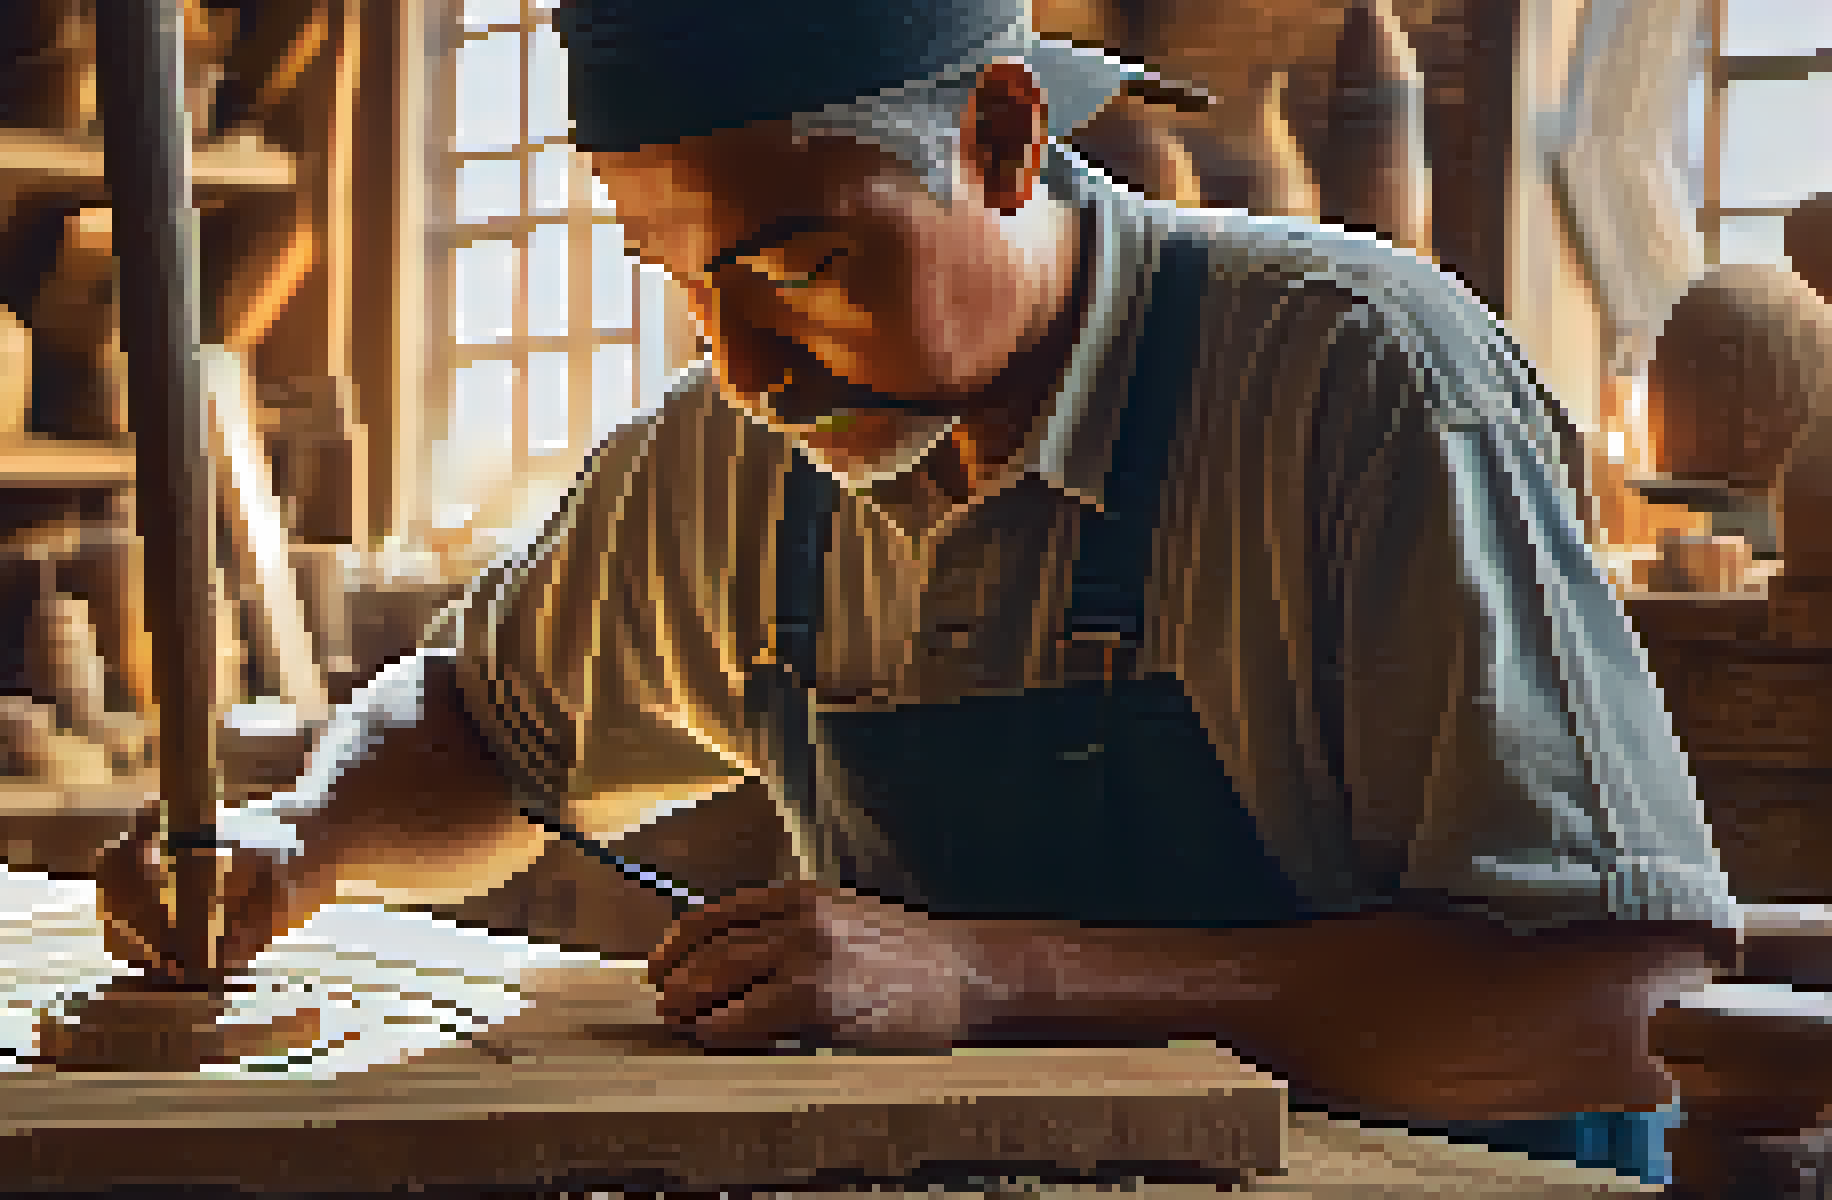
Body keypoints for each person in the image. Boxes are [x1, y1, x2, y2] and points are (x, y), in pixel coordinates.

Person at [109, 0, 1735, 1184]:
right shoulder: (739, 452)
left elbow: (1604, 1010)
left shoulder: (1355, 378)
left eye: (798, 262)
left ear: (1006, 137)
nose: (742, 368)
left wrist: (984, 980)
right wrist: (301, 841)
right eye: (687, 285)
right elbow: (475, 721)